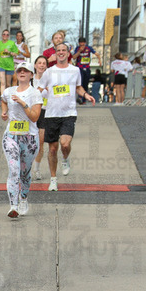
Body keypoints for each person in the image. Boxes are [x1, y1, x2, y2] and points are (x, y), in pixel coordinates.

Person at [38, 42, 95, 192]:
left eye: (64, 50)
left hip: (68, 113)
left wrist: (86, 95)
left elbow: (78, 87)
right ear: (55, 53)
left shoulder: (75, 70)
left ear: (68, 53)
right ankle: (53, 180)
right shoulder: (49, 72)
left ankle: (65, 158)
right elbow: (39, 89)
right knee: (52, 149)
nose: (61, 52)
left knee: (64, 144)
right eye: (59, 50)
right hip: (51, 114)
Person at [1, 62, 43, 217]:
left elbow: (35, 117)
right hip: (11, 136)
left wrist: (23, 103)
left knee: (24, 172)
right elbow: (3, 99)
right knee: (14, 170)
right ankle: (13, 206)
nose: (22, 73)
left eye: (26, 71)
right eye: (20, 70)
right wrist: (4, 112)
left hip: (29, 138)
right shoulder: (9, 91)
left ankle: (23, 198)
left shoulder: (35, 94)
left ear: (31, 75)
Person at [31, 55, 48, 180]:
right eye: (39, 63)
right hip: (31, 112)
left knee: (40, 143)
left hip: (44, 112)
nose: (41, 65)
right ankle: (25, 168)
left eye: (44, 63)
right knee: (28, 143)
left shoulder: (50, 81)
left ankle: (36, 169)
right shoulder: (30, 80)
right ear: (35, 65)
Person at [72, 37, 101, 104]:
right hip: (79, 68)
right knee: (80, 83)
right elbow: (74, 57)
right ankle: (80, 97)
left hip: (87, 68)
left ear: (85, 43)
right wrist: (79, 51)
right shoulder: (77, 48)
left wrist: (99, 61)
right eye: (81, 44)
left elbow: (96, 54)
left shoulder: (88, 48)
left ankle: (84, 100)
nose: (82, 46)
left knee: (85, 83)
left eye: (83, 44)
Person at [0, 29, 19, 95]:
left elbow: (16, 54)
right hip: (0, 65)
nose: (5, 36)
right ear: (2, 35)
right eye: (4, 34)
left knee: (8, 84)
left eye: (7, 35)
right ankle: (2, 97)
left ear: (9, 36)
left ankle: (7, 97)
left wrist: (9, 52)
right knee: (3, 82)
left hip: (9, 65)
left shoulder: (12, 43)